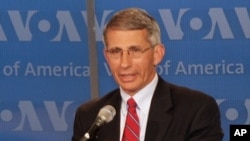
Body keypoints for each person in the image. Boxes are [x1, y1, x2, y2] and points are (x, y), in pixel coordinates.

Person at [72, 7, 224, 141]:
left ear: (157, 54)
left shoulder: (196, 109)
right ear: (106, 56)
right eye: (116, 52)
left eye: (135, 51)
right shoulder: (89, 116)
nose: (124, 63)